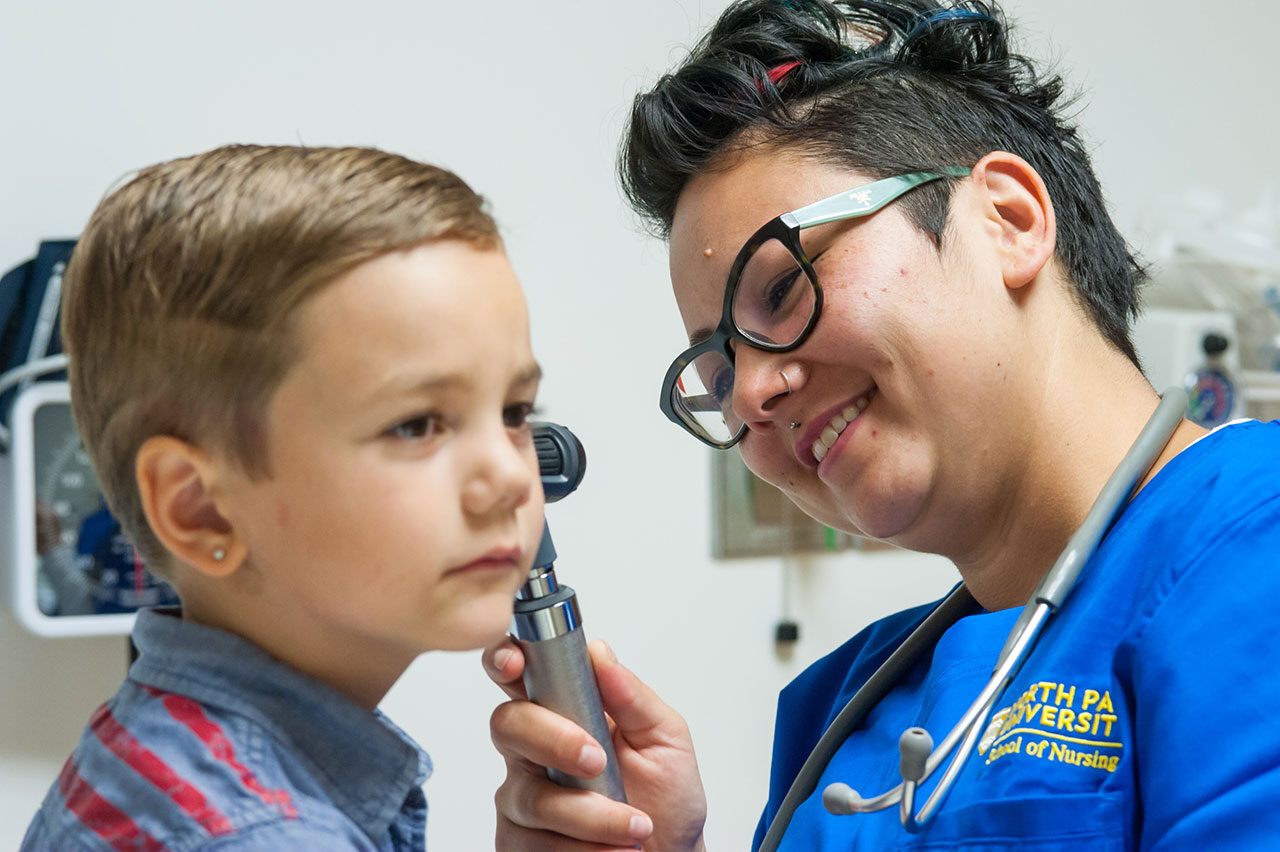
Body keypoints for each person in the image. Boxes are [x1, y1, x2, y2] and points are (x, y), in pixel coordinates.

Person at [483, 1, 1280, 849]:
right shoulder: (845, 709)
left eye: (783, 289)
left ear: (1007, 221)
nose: (751, 393)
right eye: (716, 373)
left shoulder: (1251, 550)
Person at [21, 144, 547, 851]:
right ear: (199, 508)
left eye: (515, 412)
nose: (512, 477)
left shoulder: (147, 755)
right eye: (417, 424)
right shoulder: (263, 835)